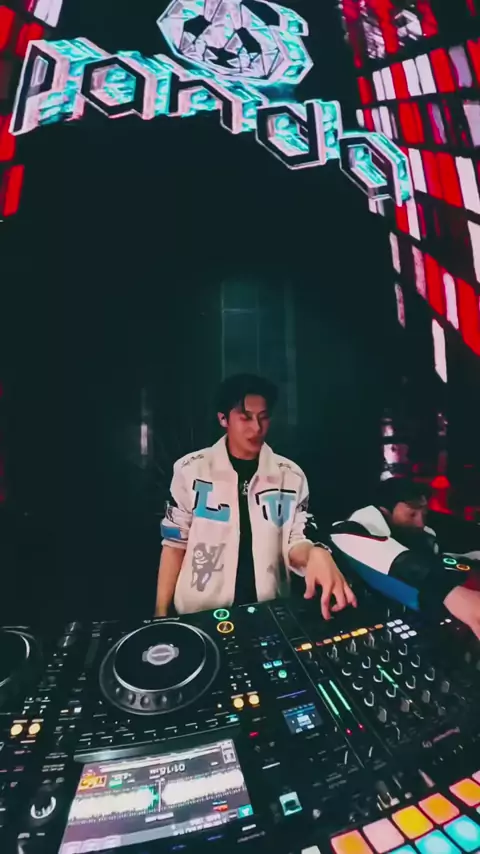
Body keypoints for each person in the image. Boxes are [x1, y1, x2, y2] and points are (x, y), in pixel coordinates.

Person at [155, 374, 357, 619]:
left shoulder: (290, 476)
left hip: (269, 610)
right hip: (199, 611)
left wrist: (315, 553)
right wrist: (160, 614)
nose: (257, 428)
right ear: (223, 419)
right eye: (246, 417)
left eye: (263, 417)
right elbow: (174, 544)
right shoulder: (190, 470)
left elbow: (295, 541)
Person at [330, 477, 480, 639]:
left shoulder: (418, 533)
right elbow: (394, 558)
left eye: (424, 514)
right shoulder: (348, 531)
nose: (420, 523)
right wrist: (451, 594)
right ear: (385, 511)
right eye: (412, 514)